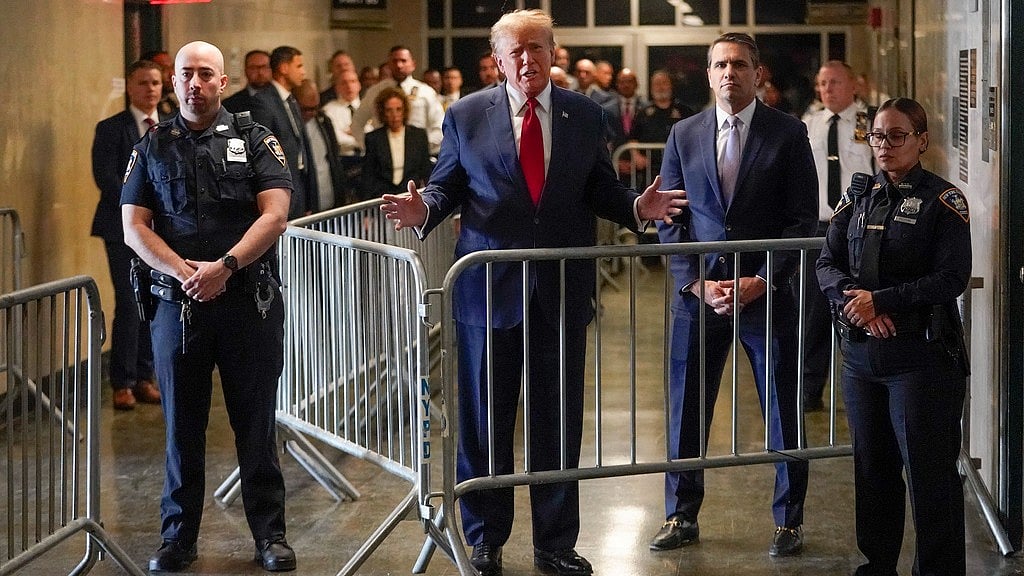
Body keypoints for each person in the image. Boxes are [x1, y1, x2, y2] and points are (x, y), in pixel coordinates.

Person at [379, 10, 686, 576]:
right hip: (486, 295)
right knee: (483, 420)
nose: (527, 60)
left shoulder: (582, 114)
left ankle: (555, 543)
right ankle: (486, 538)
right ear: (498, 61)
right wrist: (425, 209)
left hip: (560, 292)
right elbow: (447, 185)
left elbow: (599, 185)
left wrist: (635, 207)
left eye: (537, 48)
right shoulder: (467, 115)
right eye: (515, 52)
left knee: (557, 420)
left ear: (554, 52)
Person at [120, 40, 295, 573]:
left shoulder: (256, 138)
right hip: (178, 306)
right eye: (185, 75)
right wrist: (185, 272)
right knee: (181, 428)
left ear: (223, 83)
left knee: (256, 424)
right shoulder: (152, 146)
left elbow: (275, 214)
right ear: (174, 83)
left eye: (205, 75)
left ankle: (271, 536)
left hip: (248, 301)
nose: (194, 84)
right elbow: (133, 225)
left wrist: (225, 267)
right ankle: (177, 539)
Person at [652, 32, 817, 557]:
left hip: (764, 294)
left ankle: (789, 520)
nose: (730, 73)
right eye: (720, 64)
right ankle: (681, 515)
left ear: (757, 72)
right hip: (699, 297)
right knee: (686, 409)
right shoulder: (683, 133)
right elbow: (670, 220)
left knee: (782, 406)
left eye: (739, 64)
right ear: (708, 74)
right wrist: (695, 282)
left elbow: (799, 222)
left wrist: (762, 280)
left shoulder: (788, 134)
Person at [816, 97, 971, 576]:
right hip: (863, 358)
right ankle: (876, 565)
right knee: (873, 472)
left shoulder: (943, 201)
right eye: (877, 136)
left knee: (930, 477)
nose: (884, 146)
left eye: (897, 136)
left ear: (922, 141)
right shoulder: (857, 196)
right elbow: (827, 264)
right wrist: (855, 302)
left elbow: (951, 278)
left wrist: (881, 301)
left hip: (921, 360)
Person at [90, 59, 169, 410]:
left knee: (154, 301)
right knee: (128, 301)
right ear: (130, 87)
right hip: (122, 229)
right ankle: (121, 382)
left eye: (155, 82)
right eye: (143, 83)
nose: (150, 89)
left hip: (162, 231)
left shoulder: (170, 126)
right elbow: (107, 179)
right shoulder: (111, 128)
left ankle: (144, 377)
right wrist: (140, 209)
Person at [800, 60, 876, 412]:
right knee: (814, 313)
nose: (827, 89)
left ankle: (865, 388)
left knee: (857, 308)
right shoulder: (809, 124)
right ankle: (809, 390)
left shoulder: (870, 122)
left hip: (859, 229)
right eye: (822, 83)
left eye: (834, 82)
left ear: (853, 85)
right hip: (819, 228)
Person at [251, 45, 317, 219]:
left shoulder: (291, 100)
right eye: (299, 66)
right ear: (284, 68)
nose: (303, 72)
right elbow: (264, 150)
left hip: (299, 185)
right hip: (280, 188)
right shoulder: (263, 101)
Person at [352, 45, 445, 155]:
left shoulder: (426, 92)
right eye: (395, 61)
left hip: (417, 154)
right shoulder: (375, 92)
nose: (399, 65)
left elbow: (440, 127)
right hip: (384, 155)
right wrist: (371, 147)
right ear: (389, 64)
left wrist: (419, 145)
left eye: (403, 61)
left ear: (413, 64)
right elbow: (357, 123)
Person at [622, 70, 694, 191]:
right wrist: (636, 155)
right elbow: (632, 138)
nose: (660, 87)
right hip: (650, 173)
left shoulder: (684, 111)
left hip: (679, 171)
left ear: (671, 86)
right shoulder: (643, 113)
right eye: (656, 84)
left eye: (664, 83)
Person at [360, 87, 432, 200]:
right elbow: (368, 174)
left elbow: (426, 170)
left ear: (404, 111)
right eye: (389, 110)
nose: (394, 115)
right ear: (383, 112)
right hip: (382, 197)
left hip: (410, 196)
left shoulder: (418, 136)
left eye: (399, 109)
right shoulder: (373, 138)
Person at [295, 79, 348, 210]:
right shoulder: (290, 127)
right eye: (306, 109)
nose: (312, 113)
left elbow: (334, 159)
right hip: (306, 202)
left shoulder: (324, 121)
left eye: (315, 108)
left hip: (330, 197)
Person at [223, 49, 272, 114]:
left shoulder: (283, 99)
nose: (260, 72)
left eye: (264, 67)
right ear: (245, 70)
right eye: (253, 67)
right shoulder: (230, 104)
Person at [142, 49, 180, 116]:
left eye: (172, 68)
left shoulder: (173, 105)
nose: (172, 74)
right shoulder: (142, 107)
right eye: (164, 69)